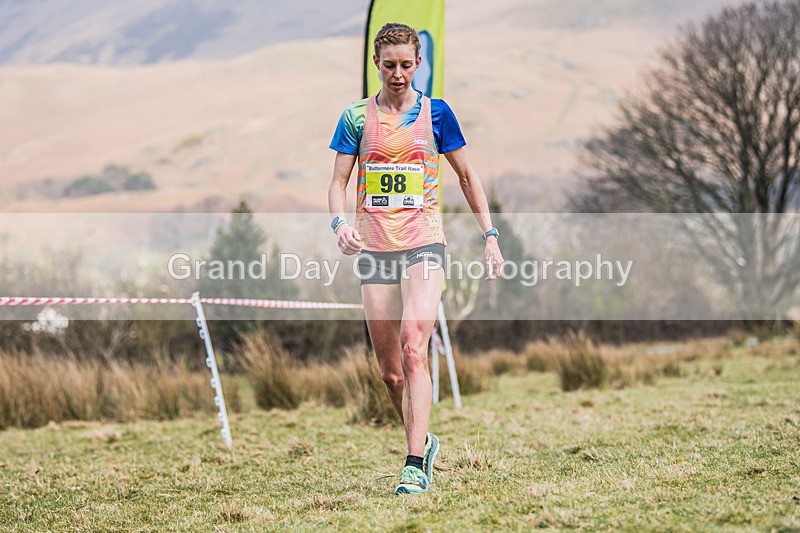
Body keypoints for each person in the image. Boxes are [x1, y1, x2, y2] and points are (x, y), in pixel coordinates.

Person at [328, 22, 503, 496]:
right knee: (390, 371)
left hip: (425, 242)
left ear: (418, 63)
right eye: (390, 65)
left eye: (407, 65)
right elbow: (338, 183)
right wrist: (339, 224)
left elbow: (468, 177)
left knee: (413, 347)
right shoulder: (356, 118)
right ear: (376, 64)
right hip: (375, 248)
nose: (398, 73)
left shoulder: (437, 114)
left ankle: (411, 465)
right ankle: (422, 441)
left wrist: (489, 235)